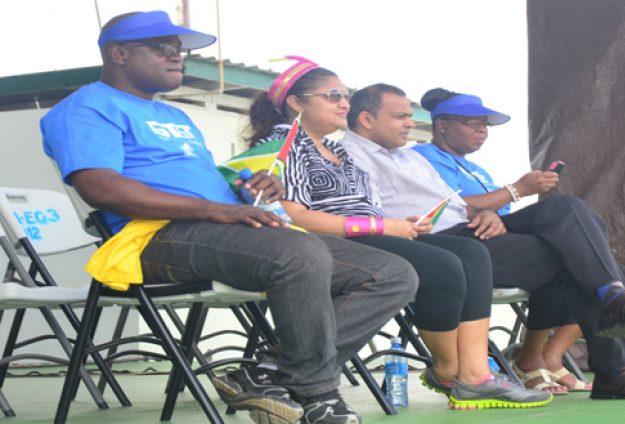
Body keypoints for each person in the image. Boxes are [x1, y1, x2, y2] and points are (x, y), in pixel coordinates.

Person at [40, 11, 418, 424]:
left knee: (392, 272)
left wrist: (246, 187)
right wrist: (217, 209)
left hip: (220, 228)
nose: (177, 57)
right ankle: (317, 395)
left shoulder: (173, 116)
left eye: (179, 50)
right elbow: (101, 188)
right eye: (163, 48)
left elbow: (201, 182)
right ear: (119, 54)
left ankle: (268, 372)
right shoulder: (85, 108)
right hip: (154, 236)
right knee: (300, 252)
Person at [340, 83, 625, 399]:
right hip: (440, 244)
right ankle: (610, 361)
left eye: (484, 124)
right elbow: (371, 216)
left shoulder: (406, 157)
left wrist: (484, 213)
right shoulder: (353, 157)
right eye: (400, 116)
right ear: (367, 120)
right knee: (578, 260)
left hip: (474, 230)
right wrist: (512, 192)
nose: (408, 122)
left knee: (566, 209)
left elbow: (458, 206)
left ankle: (612, 298)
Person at [242, 56, 551, 410]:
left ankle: (476, 372)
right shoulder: (284, 144)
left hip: (370, 232)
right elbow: (294, 215)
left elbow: (366, 206)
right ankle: (453, 372)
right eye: (332, 96)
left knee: (471, 253)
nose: (344, 102)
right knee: (442, 265)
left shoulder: (337, 148)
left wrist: (402, 223)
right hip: (331, 242)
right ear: (297, 103)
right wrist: (381, 226)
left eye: (345, 95)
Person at [413, 88, 591, 393]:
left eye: (485, 125)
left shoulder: (478, 169)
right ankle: (531, 359)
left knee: (592, 261)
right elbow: (452, 209)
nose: (482, 130)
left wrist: (495, 210)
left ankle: (549, 356)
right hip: (456, 245)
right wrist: (518, 188)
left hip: (495, 238)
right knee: (571, 256)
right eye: (472, 123)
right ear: (441, 125)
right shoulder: (421, 158)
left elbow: (496, 212)